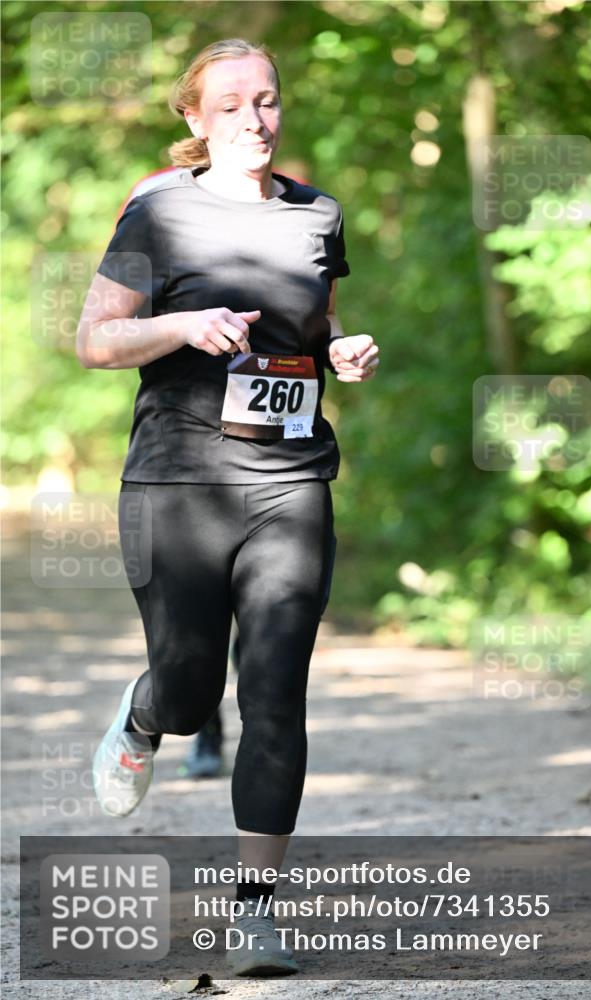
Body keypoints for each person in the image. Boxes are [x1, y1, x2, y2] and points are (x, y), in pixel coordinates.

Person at [76, 38, 379, 976]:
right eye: (235, 103)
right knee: (190, 690)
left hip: (289, 480)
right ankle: (141, 714)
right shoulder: (159, 209)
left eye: (269, 101)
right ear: (196, 118)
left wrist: (340, 352)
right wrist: (180, 325)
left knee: (275, 690)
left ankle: (255, 914)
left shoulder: (315, 213)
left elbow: (311, 322)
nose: (256, 118)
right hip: (176, 480)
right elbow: (95, 340)